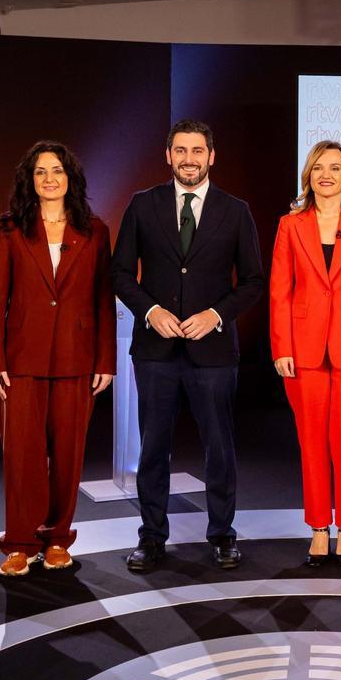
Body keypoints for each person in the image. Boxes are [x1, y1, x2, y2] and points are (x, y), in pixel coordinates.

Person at [111, 119, 265, 573]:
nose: (189, 159)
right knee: (153, 448)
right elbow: (120, 273)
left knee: (220, 446)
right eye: (181, 151)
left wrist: (215, 314)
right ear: (168, 155)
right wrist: (150, 311)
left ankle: (221, 535)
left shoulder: (235, 211)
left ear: (211, 156)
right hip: (156, 352)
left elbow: (254, 280)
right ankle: (151, 538)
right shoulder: (143, 205)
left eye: (197, 151)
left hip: (213, 352)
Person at [0, 141, 115, 577]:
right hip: (22, 359)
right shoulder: (8, 228)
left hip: (78, 358)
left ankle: (58, 537)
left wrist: (106, 360)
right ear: (30, 180)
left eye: (56, 170)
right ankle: (19, 541)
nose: (49, 179)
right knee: (21, 454)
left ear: (70, 177)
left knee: (69, 454)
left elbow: (102, 300)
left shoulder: (95, 230)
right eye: (40, 172)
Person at [270, 141, 341, 568]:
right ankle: (319, 529)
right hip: (302, 349)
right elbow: (279, 289)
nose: (326, 175)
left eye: (335, 168)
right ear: (309, 176)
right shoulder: (290, 225)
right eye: (319, 168)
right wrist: (281, 346)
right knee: (311, 441)